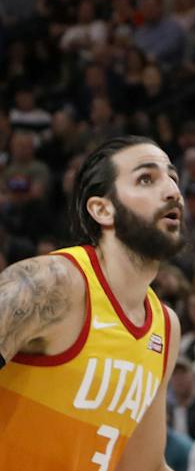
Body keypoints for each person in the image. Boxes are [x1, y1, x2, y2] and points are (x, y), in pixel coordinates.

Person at [0, 135, 185, 471]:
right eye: (147, 179)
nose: (173, 191)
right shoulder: (51, 283)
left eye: (173, 178)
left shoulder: (165, 326)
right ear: (103, 209)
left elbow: (144, 467)